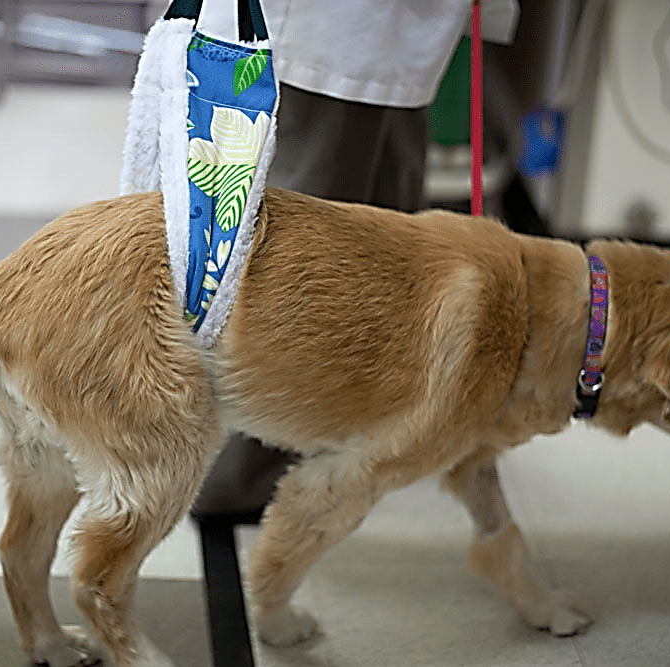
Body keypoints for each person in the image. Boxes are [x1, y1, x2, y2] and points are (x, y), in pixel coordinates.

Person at [191, 0, 513, 516]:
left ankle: (318, 448)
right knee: (305, 260)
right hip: (335, 34)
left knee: (382, 256)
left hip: (403, 39)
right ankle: (234, 471)